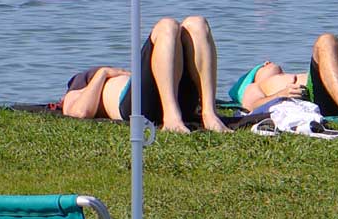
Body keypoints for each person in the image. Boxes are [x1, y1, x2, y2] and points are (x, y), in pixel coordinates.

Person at [63, 15, 228, 133]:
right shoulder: (79, 84)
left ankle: (209, 114)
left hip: (175, 97)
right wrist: (103, 73)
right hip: (140, 108)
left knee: (197, 23)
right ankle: (171, 117)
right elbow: (80, 113)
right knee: (167, 26)